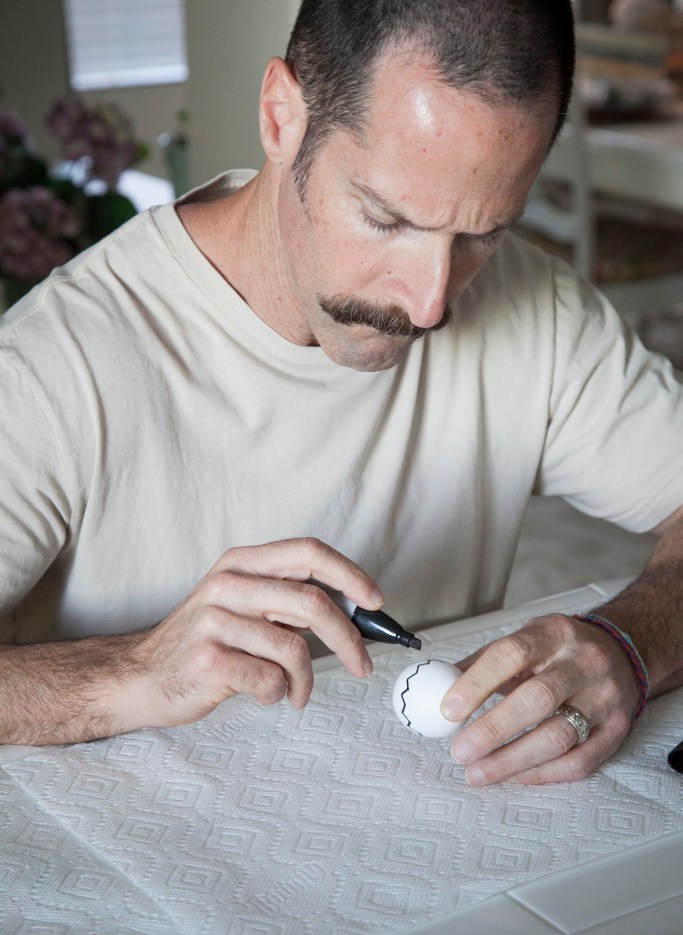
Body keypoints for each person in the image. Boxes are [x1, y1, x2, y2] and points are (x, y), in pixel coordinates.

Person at [1, 0, 682, 786]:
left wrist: (634, 641)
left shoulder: (539, 311)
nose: (428, 304)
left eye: (482, 233)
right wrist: (132, 671)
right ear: (280, 117)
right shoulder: (54, 364)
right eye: (386, 218)